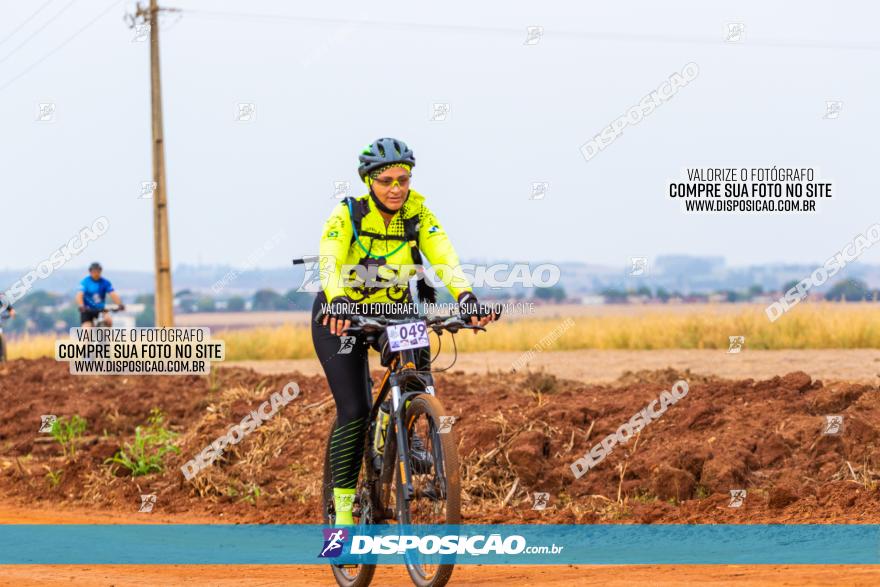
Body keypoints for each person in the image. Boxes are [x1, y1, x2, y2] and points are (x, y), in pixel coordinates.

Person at [312, 137, 499, 525]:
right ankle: (342, 512)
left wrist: (465, 295)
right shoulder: (347, 214)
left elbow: (442, 252)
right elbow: (329, 260)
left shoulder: (417, 212)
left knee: (416, 369)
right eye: (387, 181)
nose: (396, 188)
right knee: (355, 409)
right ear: (369, 182)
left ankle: (407, 425)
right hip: (341, 315)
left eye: (403, 179)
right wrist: (337, 298)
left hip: (394, 310)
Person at [76, 262, 124, 327]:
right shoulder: (85, 282)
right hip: (87, 310)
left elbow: (113, 294)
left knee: (109, 320)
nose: (96, 273)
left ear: (100, 271)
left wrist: (120, 304)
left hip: (101, 309)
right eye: (94, 271)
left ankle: (107, 336)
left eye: (98, 271)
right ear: (90, 272)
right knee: (86, 330)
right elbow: (80, 295)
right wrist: (81, 305)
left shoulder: (105, 282)